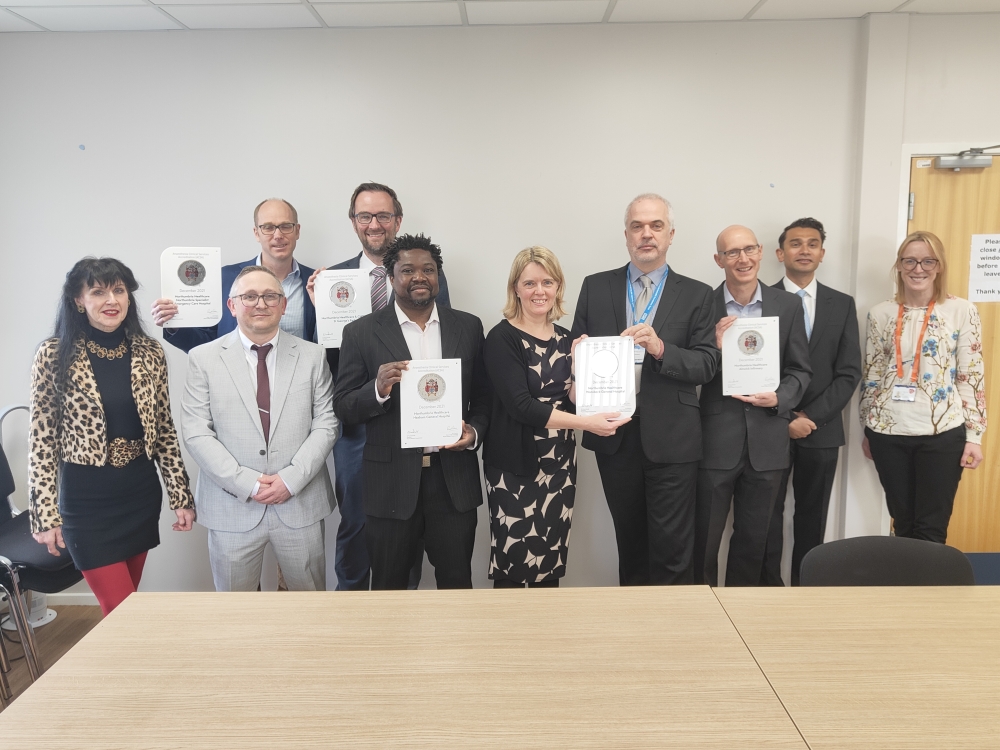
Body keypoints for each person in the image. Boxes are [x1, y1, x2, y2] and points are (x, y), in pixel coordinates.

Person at [28, 258, 195, 616]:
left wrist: (180, 496)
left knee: (125, 607)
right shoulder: (54, 354)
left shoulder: (150, 352)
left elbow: (164, 430)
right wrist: (45, 514)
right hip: (87, 502)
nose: (111, 300)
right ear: (78, 299)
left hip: (139, 495)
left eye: (119, 290)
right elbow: (42, 441)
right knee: (121, 610)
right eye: (98, 291)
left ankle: (121, 671)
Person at [306, 183, 451, 591]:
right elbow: (320, 360)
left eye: (383, 215)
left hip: (414, 423)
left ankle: (401, 609)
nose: (374, 224)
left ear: (397, 220)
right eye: (365, 216)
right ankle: (350, 609)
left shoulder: (427, 276)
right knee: (356, 521)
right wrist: (320, 314)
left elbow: (440, 343)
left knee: (407, 520)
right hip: (357, 425)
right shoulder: (330, 281)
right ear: (353, 222)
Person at [571, 194, 719, 586]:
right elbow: (577, 351)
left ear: (671, 235)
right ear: (626, 235)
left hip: (673, 439)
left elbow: (706, 364)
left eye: (656, 226)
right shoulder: (595, 286)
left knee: (672, 550)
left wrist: (660, 348)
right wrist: (577, 365)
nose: (646, 234)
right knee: (630, 544)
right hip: (613, 434)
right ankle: (635, 636)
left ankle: (672, 638)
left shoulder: (698, 294)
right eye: (638, 226)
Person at [332, 234, 490, 590]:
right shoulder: (360, 333)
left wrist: (474, 433)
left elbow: (484, 397)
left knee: (456, 583)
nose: (419, 276)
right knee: (390, 587)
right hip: (390, 484)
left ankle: (454, 648)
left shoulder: (468, 326)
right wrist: (377, 390)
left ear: (438, 277)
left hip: (452, 480)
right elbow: (343, 405)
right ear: (390, 278)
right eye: (408, 270)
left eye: (428, 270)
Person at [182, 266, 337, 591]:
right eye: (249, 296)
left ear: (284, 305)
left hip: (300, 501)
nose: (260, 303)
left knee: (310, 608)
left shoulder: (312, 356)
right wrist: (248, 483)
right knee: (236, 613)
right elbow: (196, 432)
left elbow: (326, 423)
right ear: (232, 305)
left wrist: (290, 479)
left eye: (270, 296)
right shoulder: (203, 359)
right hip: (231, 505)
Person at [483, 246, 626, 588]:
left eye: (548, 282)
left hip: (559, 467)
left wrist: (580, 370)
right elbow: (522, 407)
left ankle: (545, 638)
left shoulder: (567, 339)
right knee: (517, 561)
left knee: (548, 561)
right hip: (515, 469)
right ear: (515, 288)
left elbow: (572, 400)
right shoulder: (501, 338)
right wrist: (588, 424)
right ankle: (510, 639)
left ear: (559, 287)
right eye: (529, 283)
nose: (539, 291)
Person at [695, 225, 811, 587]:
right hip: (714, 441)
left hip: (768, 441)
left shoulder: (788, 305)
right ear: (719, 260)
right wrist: (713, 347)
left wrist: (781, 397)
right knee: (704, 541)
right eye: (732, 252)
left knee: (753, 543)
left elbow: (800, 369)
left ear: (761, 252)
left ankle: (741, 622)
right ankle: (701, 618)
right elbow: (690, 371)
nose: (742, 259)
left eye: (748, 250)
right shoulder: (701, 306)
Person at [860, 231, 986, 542]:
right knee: (902, 525)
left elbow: (971, 376)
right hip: (888, 433)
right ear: (899, 266)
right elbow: (872, 375)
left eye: (928, 261)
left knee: (931, 528)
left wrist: (975, 436)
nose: (919, 269)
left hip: (942, 434)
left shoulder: (961, 311)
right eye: (910, 261)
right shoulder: (880, 313)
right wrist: (867, 427)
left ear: (939, 266)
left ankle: (930, 591)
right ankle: (903, 590)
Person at [760, 218, 862, 586]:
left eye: (812, 243)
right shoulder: (760, 300)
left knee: (812, 518)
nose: (804, 250)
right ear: (779, 252)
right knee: (766, 517)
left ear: (822, 252)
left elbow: (849, 372)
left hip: (822, 430)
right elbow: (753, 368)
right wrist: (784, 416)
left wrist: (810, 416)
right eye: (796, 243)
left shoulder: (842, 304)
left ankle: (806, 593)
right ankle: (768, 593)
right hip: (769, 427)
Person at [151, 197, 316, 351]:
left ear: (297, 231)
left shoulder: (316, 284)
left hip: (296, 380)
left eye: (286, 226)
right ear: (256, 233)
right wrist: (174, 324)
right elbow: (206, 343)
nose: (278, 235)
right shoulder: (225, 279)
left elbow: (325, 345)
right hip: (234, 379)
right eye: (268, 227)